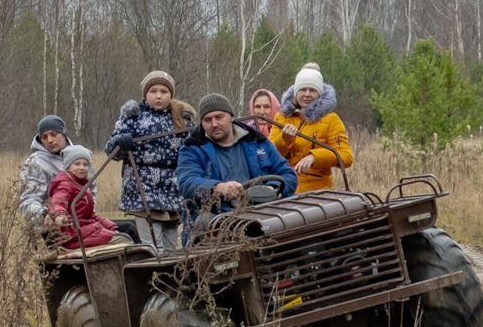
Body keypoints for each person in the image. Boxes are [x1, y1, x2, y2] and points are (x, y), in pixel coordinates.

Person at [106, 70, 196, 253]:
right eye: (153, 91)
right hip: (142, 189)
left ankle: (170, 280)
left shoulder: (181, 117)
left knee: (171, 247)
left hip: (173, 189)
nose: (158, 96)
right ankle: (152, 278)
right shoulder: (132, 117)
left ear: (170, 94)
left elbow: (193, 148)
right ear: (145, 93)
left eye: (164, 91)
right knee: (154, 248)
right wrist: (120, 142)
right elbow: (111, 151)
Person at [177, 92, 297, 219]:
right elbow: (187, 183)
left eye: (219, 117)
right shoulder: (192, 148)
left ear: (231, 117)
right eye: (208, 120)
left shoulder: (257, 141)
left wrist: (272, 189)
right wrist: (218, 188)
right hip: (219, 218)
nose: (214, 124)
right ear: (201, 123)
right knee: (204, 221)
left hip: (262, 212)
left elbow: (288, 174)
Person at [270, 64, 353, 194]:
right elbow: (270, 155)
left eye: (312, 90)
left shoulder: (331, 119)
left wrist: (314, 157)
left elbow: (346, 157)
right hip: (283, 189)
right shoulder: (282, 116)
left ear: (319, 93)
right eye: (302, 89)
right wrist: (285, 140)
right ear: (296, 91)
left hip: (316, 194)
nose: (307, 94)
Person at [46, 145, 122, 250]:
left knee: (124, 231)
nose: (82, 167)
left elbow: (90, 216)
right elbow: (57, 203)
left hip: (86, 229)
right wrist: (59, 215)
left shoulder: (82, 185)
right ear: (68, 166)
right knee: (124, 240)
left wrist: (110, 226)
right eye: (77, 164)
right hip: (72, 234)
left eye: (85, 164)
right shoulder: (65, 184)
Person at [18, 115, 71, 231]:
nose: (50, 140)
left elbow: (90, 193)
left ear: (64, 133)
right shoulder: (34, 164)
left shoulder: (80, 158)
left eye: (53, 134)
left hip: (81, 222)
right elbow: (27, 201)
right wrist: (46, 215)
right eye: (44, 137)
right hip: (53, 228)